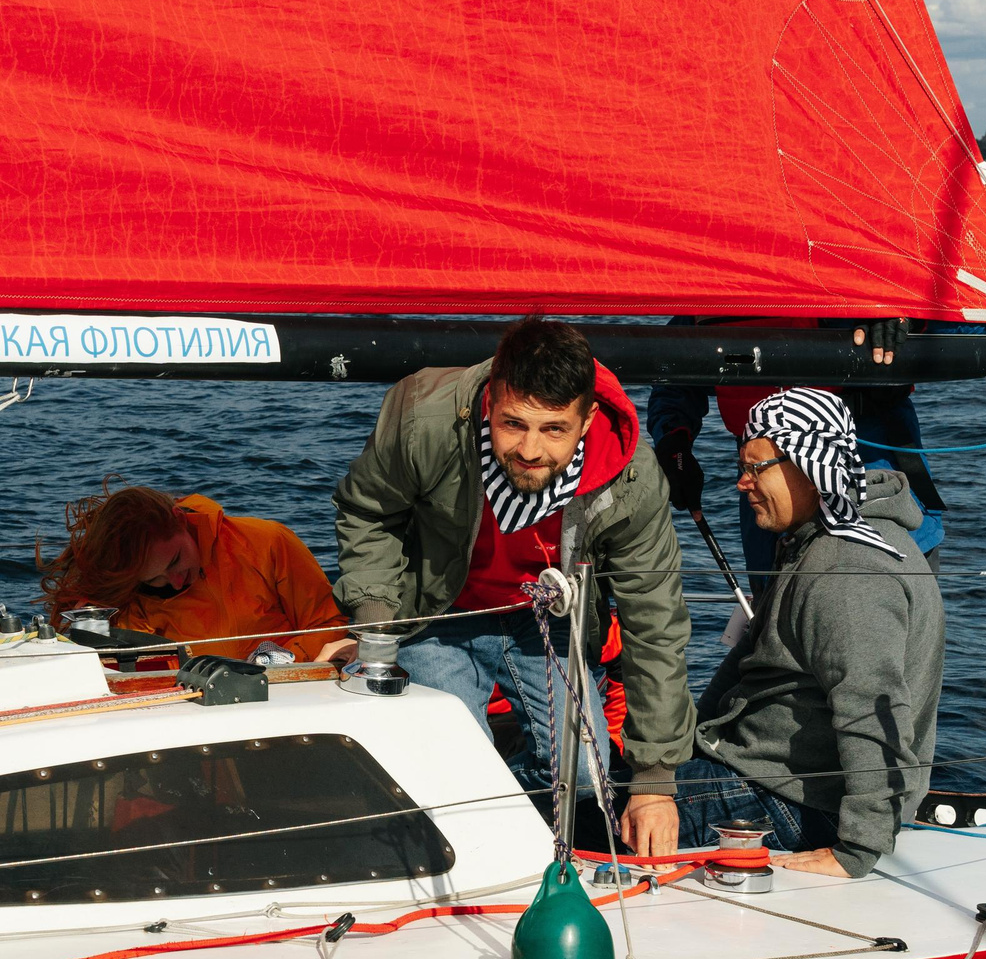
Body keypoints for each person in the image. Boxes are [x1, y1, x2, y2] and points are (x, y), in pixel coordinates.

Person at [328, 315, 692, 854]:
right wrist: (378, 622)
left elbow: (655, 621)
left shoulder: (632, 476)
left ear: (589, 419)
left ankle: (530, 842)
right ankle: (468, 844)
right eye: (513, 423)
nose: (529, 450)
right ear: (489, 400)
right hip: (439, 616)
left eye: (554, 430)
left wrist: (656, 780)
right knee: (458, 775)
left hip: (543, 623)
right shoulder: (422, 417)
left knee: (588, 775)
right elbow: (368, 512)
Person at [673, 387, 945, 878]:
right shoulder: (818, 541)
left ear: (809, 464)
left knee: (563, 814)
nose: (742, 483)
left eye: (757, 468)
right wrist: (689, 747)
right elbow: (747, 662)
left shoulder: (846, 569)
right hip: (765, 775)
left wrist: (856, 849)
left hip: (795, 802)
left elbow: (872, 706)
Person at [649, 319, 951, 577]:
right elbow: (673, 367)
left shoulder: (856, 265)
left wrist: (908, 319)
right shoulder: (713, 283)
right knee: (777, 614)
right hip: (767, 497)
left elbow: (980, 314)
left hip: (867, 474)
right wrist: (672, 441)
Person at [39, 486, 347, 662]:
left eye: (175, 560)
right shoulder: (120, 592)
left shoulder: (267, 542)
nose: (173, 581)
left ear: (178, 519)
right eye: (154, 579)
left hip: (280, 699)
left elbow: (330, 624)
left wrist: (277, 662)